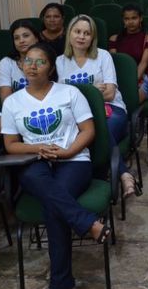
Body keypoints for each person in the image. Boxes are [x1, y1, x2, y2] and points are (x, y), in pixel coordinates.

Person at [1, 42, 111, 289]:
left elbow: (88, 131)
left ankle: (61, 287)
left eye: (40, 62)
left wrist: (66, 152)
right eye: (28, 61)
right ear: (21, 65)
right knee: (48, 192)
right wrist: (38, 148)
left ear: (51, 67)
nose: (33, 66)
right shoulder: (12, 102)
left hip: (73, 159)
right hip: (34, 160)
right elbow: (11, 145)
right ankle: (86, 223)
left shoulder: (70, 93)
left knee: (53, 207)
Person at [56, 15, 140, 199]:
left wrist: (79, 92)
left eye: (87, 33)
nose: (81, 36)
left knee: (99, 132)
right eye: (77, 31)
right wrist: (93, 90)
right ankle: (119, 176)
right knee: (80, 134)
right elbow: (62, 97)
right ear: (69, 34)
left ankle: (116, 177)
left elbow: (109, 93)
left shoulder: (103, 56)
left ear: (93, 38)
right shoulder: (60, 61)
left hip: (111, 109)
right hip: (78, 114)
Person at [108, 4, 148, 103]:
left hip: (140, 79)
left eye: (134, 18)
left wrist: (129, 86)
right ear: (123, 20)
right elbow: (114, 65)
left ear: (141, 18)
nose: (130, 22)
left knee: (128, 102)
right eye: (127, 19)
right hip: (118, 79)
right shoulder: (114, 39)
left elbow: (143, 65)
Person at [0, 19, 41, 102]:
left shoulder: (47, 60)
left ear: (36, 38)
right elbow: (6, 100)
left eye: (26, 36)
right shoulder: (6, 63)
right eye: (16, 38)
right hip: (17, 110)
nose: (21, 41)